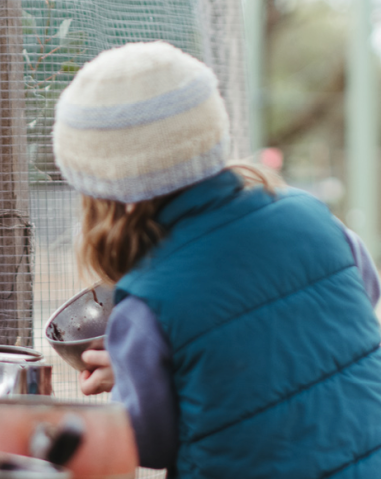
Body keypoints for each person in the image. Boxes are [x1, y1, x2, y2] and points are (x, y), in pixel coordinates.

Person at [54, 41, 381, 477]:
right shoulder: (313, 216)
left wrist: (138, 372)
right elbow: (361, 292)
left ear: (103, 196)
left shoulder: (148, 304)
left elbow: (148, 443)